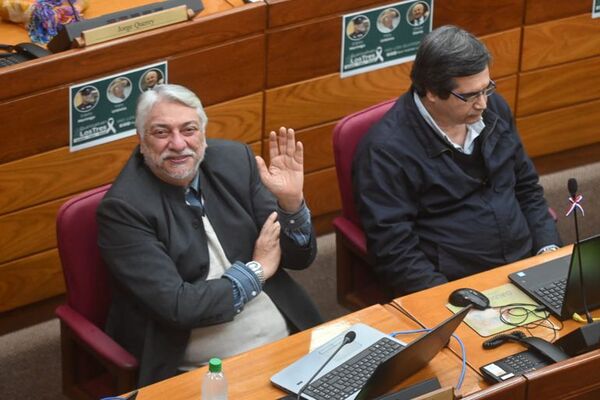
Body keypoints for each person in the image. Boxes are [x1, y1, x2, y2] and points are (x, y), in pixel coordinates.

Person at [97, 84, 321, 386]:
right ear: (141, 140)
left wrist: (291, 205)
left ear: (203, 133)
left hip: (287, 332)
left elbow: (298, 259)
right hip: (203, 365)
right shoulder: (122, 209)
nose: (178, 144)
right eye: (161, 133)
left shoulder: (236, 161)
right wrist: (256, 271)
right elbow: (178, 307)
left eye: (188, 129)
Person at [353, 26, 560, 296]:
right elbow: (396, 251)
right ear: (431, 91)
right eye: (470, 95)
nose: (483, 104)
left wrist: (548, 252)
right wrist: (449, 300)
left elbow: (526, 187)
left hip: (527, 264)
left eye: (487, 89)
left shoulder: (494, 110)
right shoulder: (384, 151)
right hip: (461, 288)